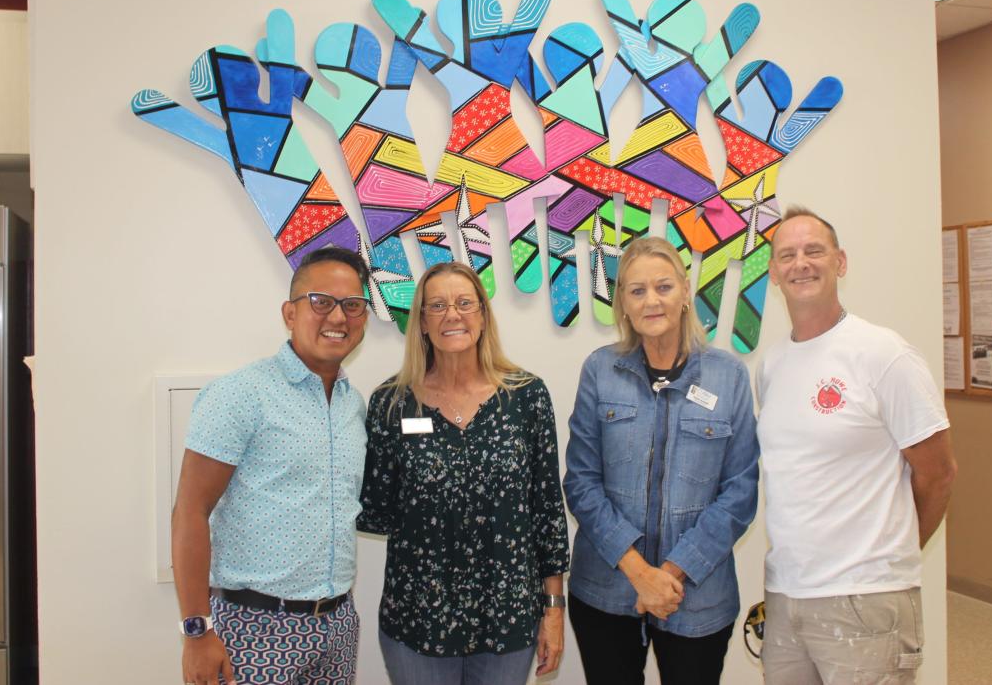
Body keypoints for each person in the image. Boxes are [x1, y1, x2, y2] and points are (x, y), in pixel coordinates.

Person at [757, 206, 958, 684]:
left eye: (814, 251)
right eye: (787, 255)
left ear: (840, 262)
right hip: (787, 597)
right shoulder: (773, 363)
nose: (800, 263)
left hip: (867, 600)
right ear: (773, 272)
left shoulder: (884, 354)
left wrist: (890, 553)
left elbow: (939, 472)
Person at [358, 261, 569, 685]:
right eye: (436, 305)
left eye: (463, 303)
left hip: (507, 617)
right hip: (417, 619)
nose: (452, 314)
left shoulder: (527, 397)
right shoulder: (391, 402)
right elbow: (374, 511)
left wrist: (553, 609)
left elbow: (547, 513)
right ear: (421, 322)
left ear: (483, 316)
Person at [171, 246, 372, 685]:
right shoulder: (241, 394)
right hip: (253, 627)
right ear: (290, 312)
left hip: (337, 625)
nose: (338, 318)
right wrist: (196, 630)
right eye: (321, 302)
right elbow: (190, 511)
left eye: (353, 306)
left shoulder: (352, 405)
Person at [564, 236, 760, 685]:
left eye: (663, 287)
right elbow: (581, 482)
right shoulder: (599, 370)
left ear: (686, 292)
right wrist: (637, 571)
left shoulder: (728, 376)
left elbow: (740, 492)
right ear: (624, 306)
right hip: (607, 591)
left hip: (696, 594)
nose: (652, 300)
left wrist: (668, 574)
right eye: (637, 291)